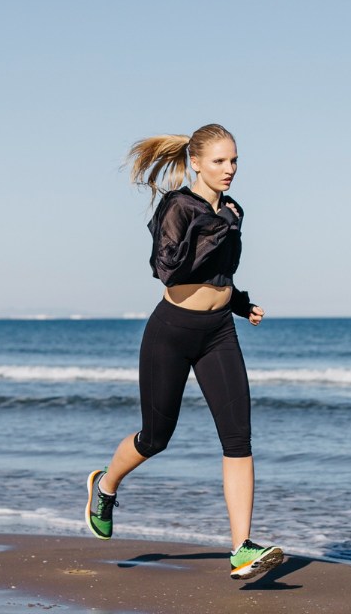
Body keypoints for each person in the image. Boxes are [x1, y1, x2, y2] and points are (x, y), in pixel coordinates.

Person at [84, 123, 284, 581]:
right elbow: (167, 270)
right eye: (220, 161)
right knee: (156, 438)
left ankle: (242, 548)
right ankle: (106, 483)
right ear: (196, 162)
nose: (229, 169)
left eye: (234, 161)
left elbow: (221, 273)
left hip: (218, 332)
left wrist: (239, 302)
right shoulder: (177, 206)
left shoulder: (233, 210)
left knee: (238, 440)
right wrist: (213, 230)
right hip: (171, 331)